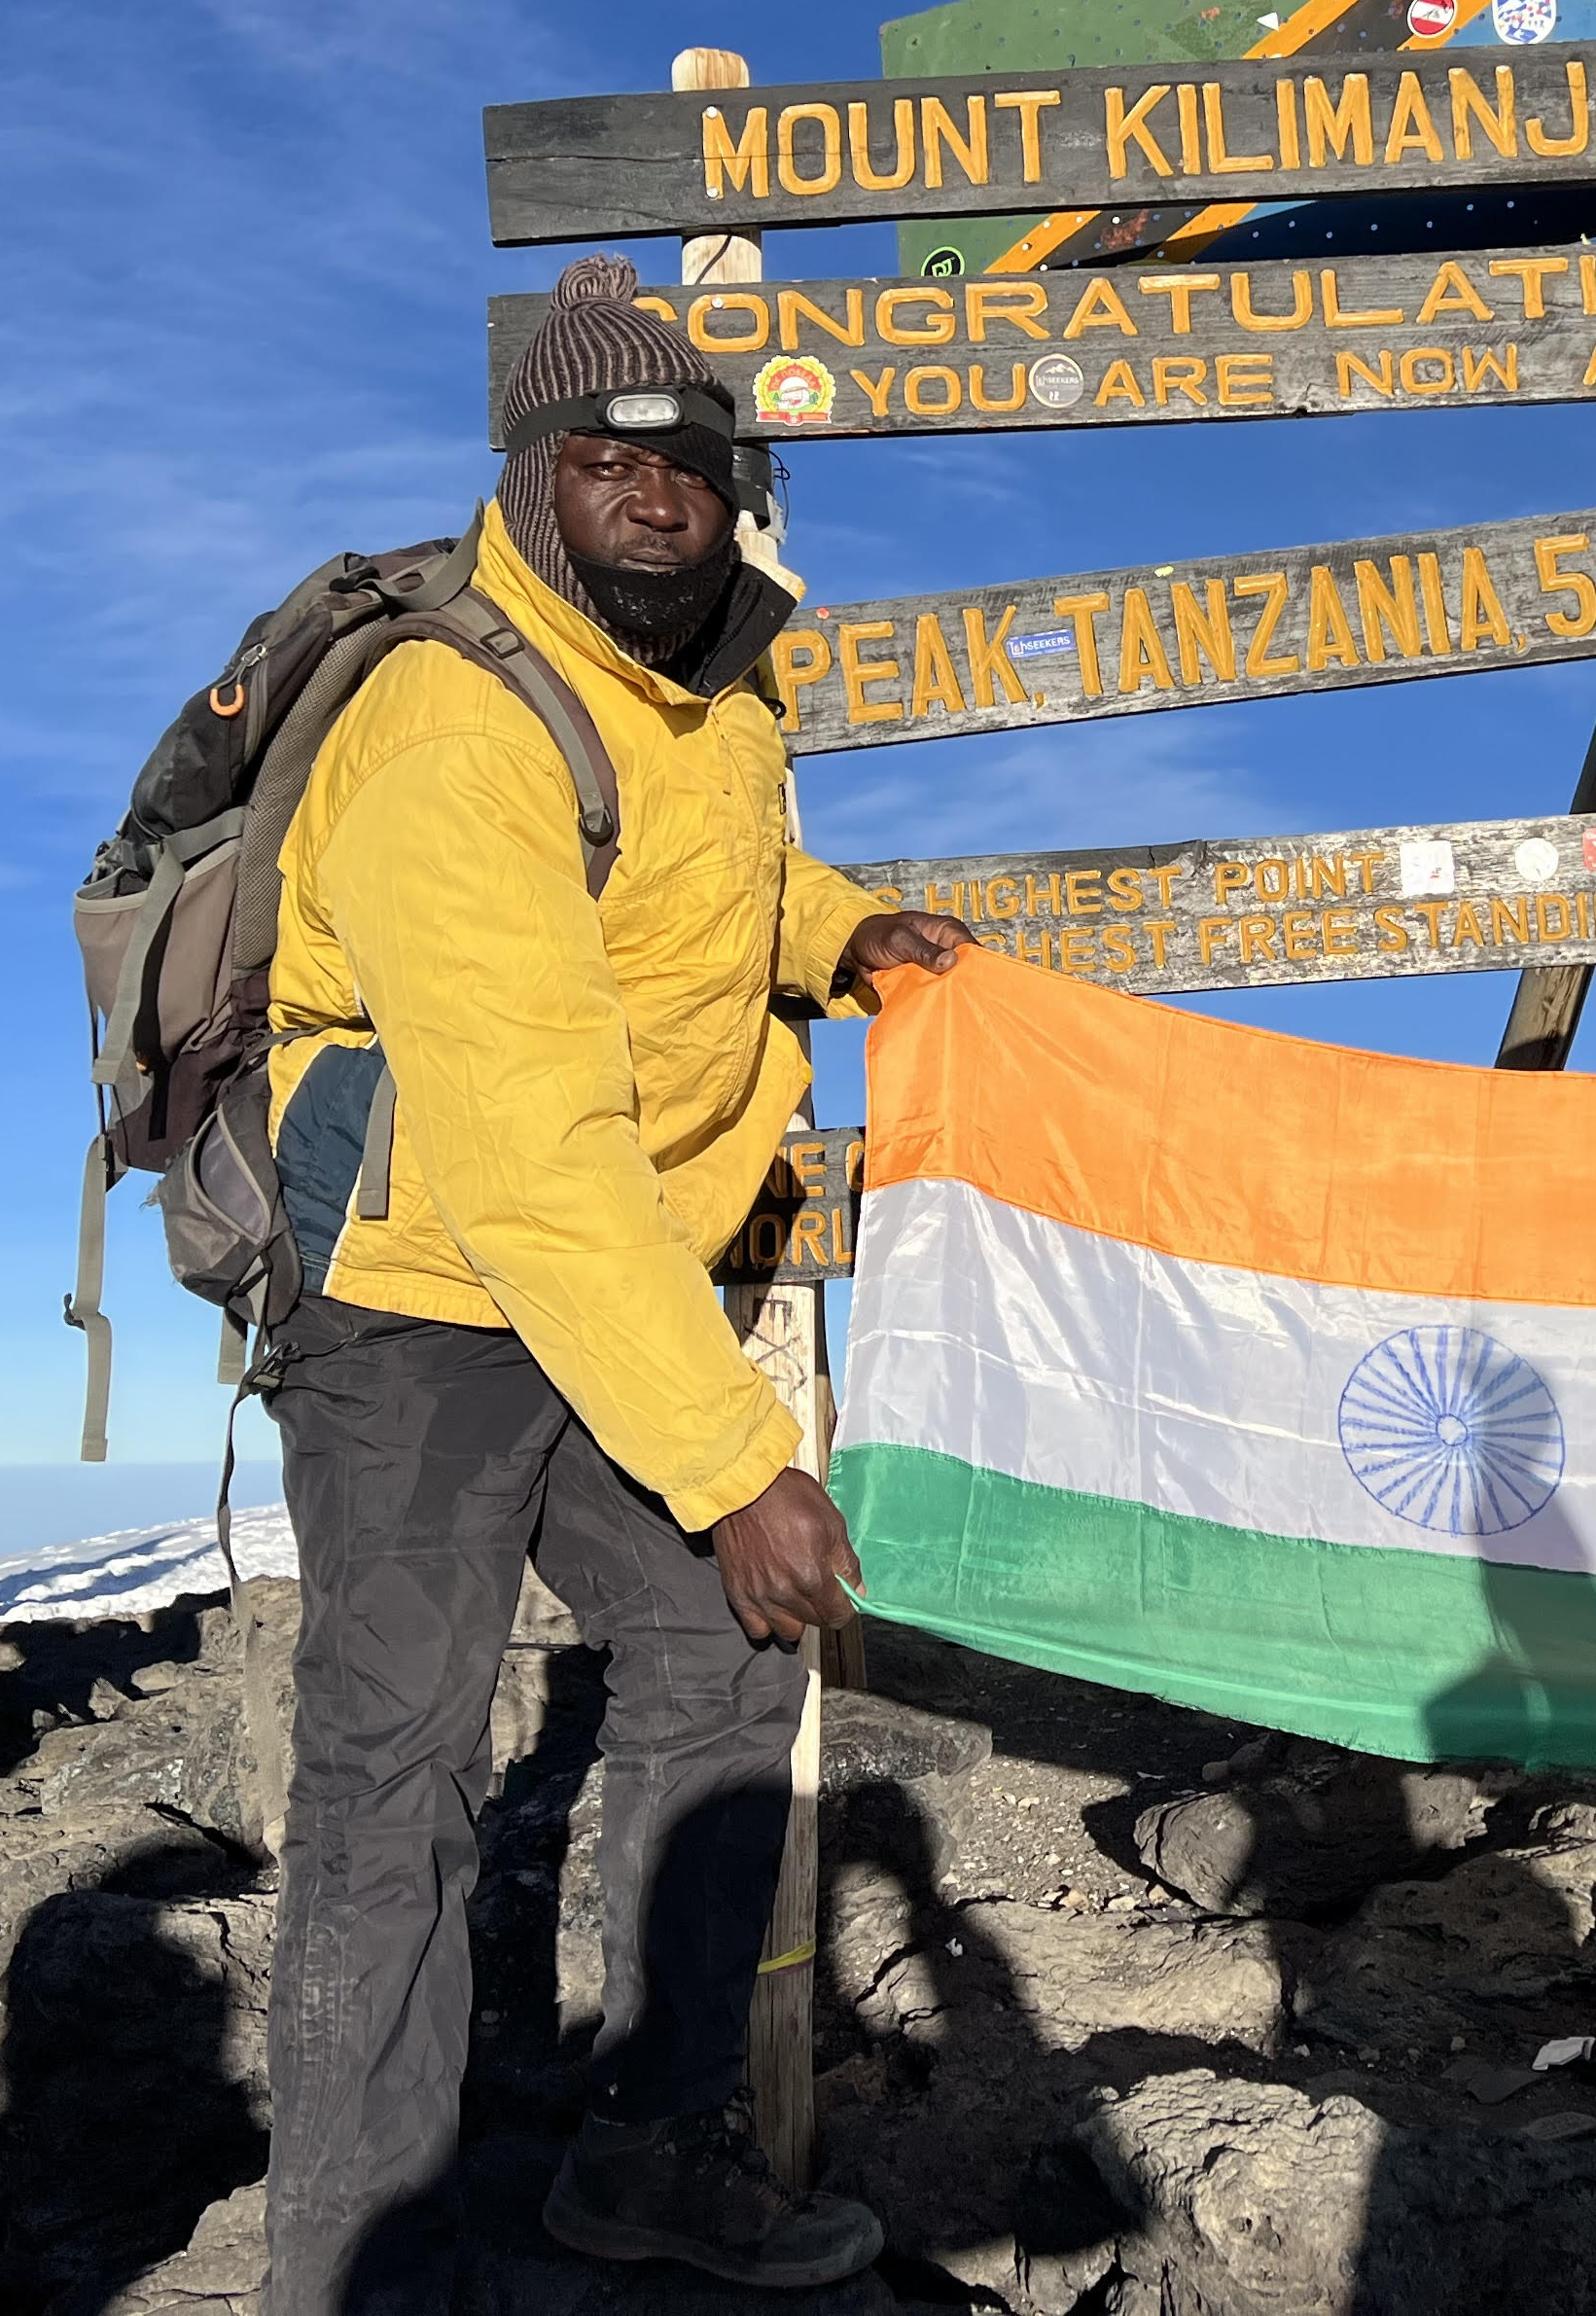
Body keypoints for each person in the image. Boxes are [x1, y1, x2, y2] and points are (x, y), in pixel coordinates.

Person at [254, 250, 969, 2310]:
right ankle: (352, 2270)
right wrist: (740, 1460)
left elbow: (694, 883)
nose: (661, 488)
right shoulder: (445, 721)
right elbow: (529, 1154)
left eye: (694, 455)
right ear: (530, 472)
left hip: (606, 1273)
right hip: (417, 1287)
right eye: (609, 454)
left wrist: (846, 938)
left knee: (730, 1659)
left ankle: (642, 2158)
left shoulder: (725, 680)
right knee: (398, 1765)